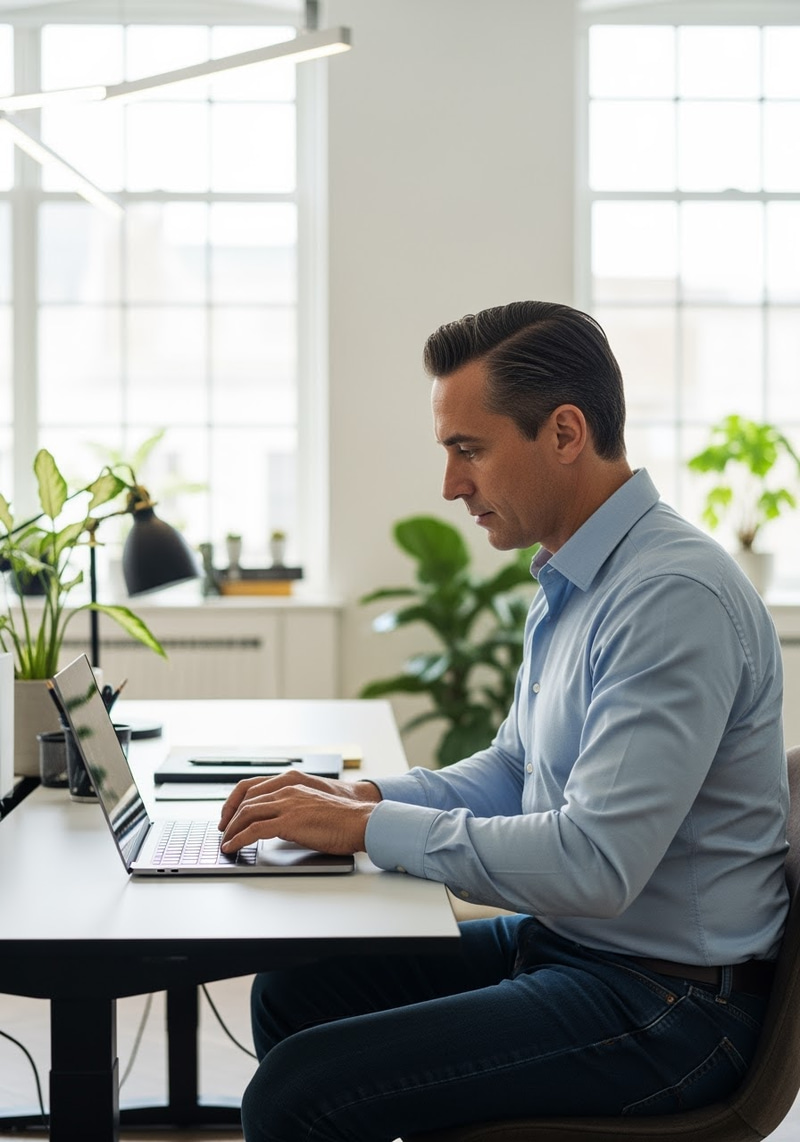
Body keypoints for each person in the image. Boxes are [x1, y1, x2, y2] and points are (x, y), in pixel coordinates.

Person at [219, 301, 788, 1142]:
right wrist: (355, 797)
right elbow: (515, 769)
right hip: (580, 950)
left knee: (299, 1095)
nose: (451, 485)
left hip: (669, 1005)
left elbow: (595, 864)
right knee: (297, 988)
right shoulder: (576, 575)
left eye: (468, 450)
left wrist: (370, 827)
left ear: (564, 432)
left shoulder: (673, 597)